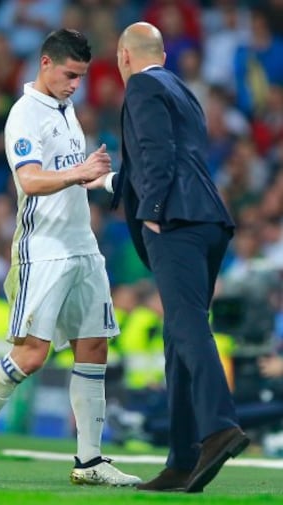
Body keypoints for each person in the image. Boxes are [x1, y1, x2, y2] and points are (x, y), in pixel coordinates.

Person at [0, 28, 141, 488]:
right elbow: (32, 181)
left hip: (83, 247)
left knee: (94, 344)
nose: (76, 84)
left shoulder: (65, 108)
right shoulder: (23, 115)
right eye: (70, 75)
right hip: (45, 252)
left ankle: (90, 461)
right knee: (32, 355)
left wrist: (109, 182)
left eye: (81, 76)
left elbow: (76, 175)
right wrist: (81, 172)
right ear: (46, 64)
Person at [85, 22, 250, 493]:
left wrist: (153, 212)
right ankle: (182, 460)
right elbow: (172, 157)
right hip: (208, 219)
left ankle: (219, 427)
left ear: (124, 56)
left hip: (174, 221)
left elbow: (157, 153)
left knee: (185, 325)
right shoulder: (181, 90)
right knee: (180, 336)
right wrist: (110, 183)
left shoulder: (139, 85)